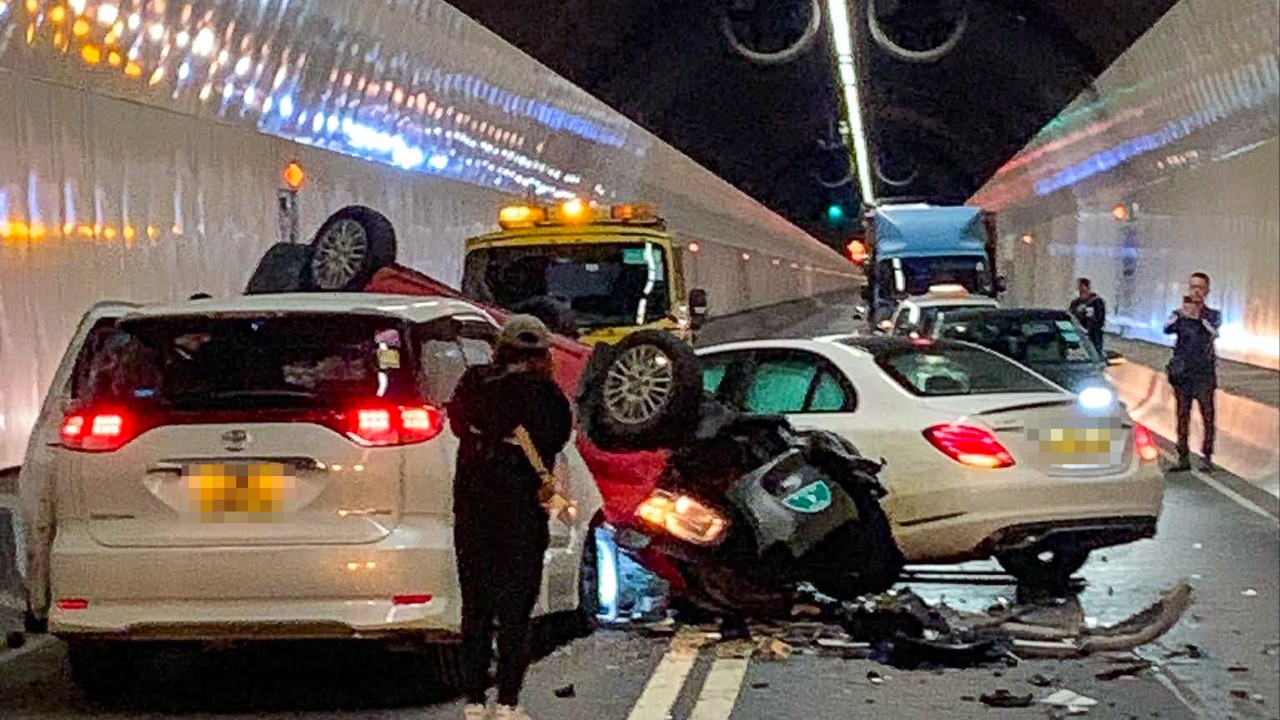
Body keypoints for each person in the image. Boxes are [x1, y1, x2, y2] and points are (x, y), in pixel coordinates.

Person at [446, 315, 573, 720]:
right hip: (521, 513)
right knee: (516, 609)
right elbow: (557, 438)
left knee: (476, 608)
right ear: (543, 354)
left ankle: (473, 701)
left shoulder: (474, 383)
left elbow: (456, 424)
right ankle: (508, 702)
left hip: (473, 511)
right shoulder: (549, 396)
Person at [1163, 272, 1221, 472]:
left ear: (1206, 291)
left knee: (1208, 415)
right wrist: (1182, 314)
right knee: (1182, 415)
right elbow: (1166, 328)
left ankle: (1207, 456)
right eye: (1193, 287)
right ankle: (1183, 456)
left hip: (1204, 374)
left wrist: (1198, 317)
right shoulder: (1179, 314)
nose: (1196, 291)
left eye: (1200, 288)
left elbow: (1214, 332)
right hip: (1183, 374)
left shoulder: (1212, 315)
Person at [1069, 277, 1107, 355]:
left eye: (1083, 290)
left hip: (1093, 339)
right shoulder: (1075, 304)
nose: (1081, 292)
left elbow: (1099, 321)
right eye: (1080, 290)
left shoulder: (1097, 302)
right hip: (1078, 338)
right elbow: (1070, 318)